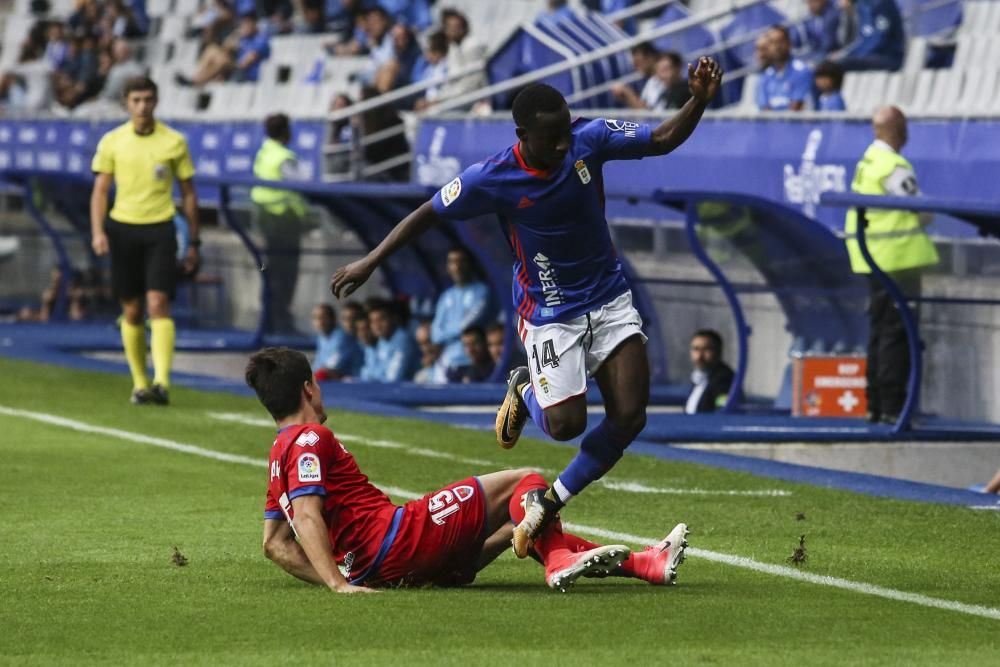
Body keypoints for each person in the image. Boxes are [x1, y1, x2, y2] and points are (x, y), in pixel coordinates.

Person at [331, 57, 723, 559]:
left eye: (565, 131)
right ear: (522, 134)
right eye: (551, 137)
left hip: (607, 297)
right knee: (565, 426)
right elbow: (429, 212)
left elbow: (662, 138)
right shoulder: (490, 178)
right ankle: (525, 388)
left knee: (630, 416)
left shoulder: (591, 137)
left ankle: (550, 502)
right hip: (550, 311)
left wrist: (698, 100)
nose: (563, 144)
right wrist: (371, 259)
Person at [249, 346, 689, 591]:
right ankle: (557, 560)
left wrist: (349, 573)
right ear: (309, 387)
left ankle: (645, 563)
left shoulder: (276, 455)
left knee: (516, 525)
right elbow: (306, 514)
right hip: (399, 538)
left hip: (387, 568)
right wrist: (336, 585)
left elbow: (275, 546)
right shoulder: (311, 439)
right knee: (526, 481)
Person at [90, 76, 200, 405]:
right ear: (126, 102)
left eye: (148, 99)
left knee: (159, 304)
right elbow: (100, 190)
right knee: (133, 310)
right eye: (136, 99)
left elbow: (189, 194)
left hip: (160, 228)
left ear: (156, 101)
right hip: (123, 229)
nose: (143, 106)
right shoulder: (113, 141)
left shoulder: (174, 141)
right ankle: (139, 383)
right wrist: (98, 231)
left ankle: (162, 382)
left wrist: (194, 240)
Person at [844, 106, 938, 424]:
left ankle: (876, 404)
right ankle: (893, 408)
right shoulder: (893, 165)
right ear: (898, 128)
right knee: (897, 336)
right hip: (898, 260)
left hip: (874, 258)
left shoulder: (867, 161)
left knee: (880, 332)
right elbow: (921, 211)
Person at [250, 113, 307, 334]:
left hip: (266, 218)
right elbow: (301, 185)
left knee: (271, 270)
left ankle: (271, 319)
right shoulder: (284, 157)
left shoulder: (264, 152)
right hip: (284, 220)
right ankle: (281, 321)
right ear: (286, 131)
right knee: (285, 273)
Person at [430, 246, 493, 371]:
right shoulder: (446, 296)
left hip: (472, 361)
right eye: (452, 262)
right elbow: (435, 334)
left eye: (461, 261)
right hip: (449, 362)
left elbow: (467, 325)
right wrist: (454, 332)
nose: (457, 267)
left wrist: (447, 331)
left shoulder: (482, 291)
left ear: (470, 264)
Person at [831, 0, 904, 72]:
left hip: (888, 57)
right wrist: (847, 53)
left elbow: (880, 39)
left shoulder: (881, 3)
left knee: (838, 64)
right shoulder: (862, 5)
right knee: (830, 63)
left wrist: (852, 55)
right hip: (871, 55)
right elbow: (863, 39)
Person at [359, 300, 419, 382]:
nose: (377, 326)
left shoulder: (403, 340)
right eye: (373, 321)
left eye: (381, 320)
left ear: (394, 319)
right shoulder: (381, 341)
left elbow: (394, 378)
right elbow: (368, 374)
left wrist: (375, 378)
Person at [756, 25, 812, 111]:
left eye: (780, 41)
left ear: (789, 43)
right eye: (772, 42)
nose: (776, 47)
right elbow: (764, 110)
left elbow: (795, 110)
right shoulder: (765, 76)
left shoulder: (802, 71)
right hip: (771, 124)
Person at [613, 51, 689, 111]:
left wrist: (628, 94)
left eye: (665, 70)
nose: (662, 76)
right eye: (659, 71)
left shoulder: (687, 89)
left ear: (678, 69)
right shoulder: (657, 85)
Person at [684, 329, 735, 414]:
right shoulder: (698, 378)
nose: (700, 356)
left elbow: (722, 410)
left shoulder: (724, 379)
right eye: (696, 349)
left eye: (706, 349)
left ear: (718, 351)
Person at [312, 303, 364, 380]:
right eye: (316, 318)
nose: (320, 322)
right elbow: (317, 368)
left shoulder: (343, 337)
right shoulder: (321, 338)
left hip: (356, 382)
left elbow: (328, 370)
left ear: (333, 319)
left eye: (323, 317)